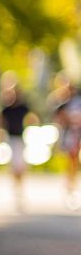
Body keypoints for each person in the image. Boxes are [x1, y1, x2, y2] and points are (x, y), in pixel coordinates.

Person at [0, 72, 35, 208]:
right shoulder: (6, 109)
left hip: (21, 138)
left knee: (20, 166)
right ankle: (17, 190)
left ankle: (19, 189)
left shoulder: (23, 107)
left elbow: (33, 117)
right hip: (10, 139)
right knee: (15, 166)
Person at [53, 81, 81, 209]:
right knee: (72, 163)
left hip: (77, 135)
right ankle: (70, 190)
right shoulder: (62, 104)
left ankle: (72, 189)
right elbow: (58, 119)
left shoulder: (78, 102)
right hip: (71, 137)